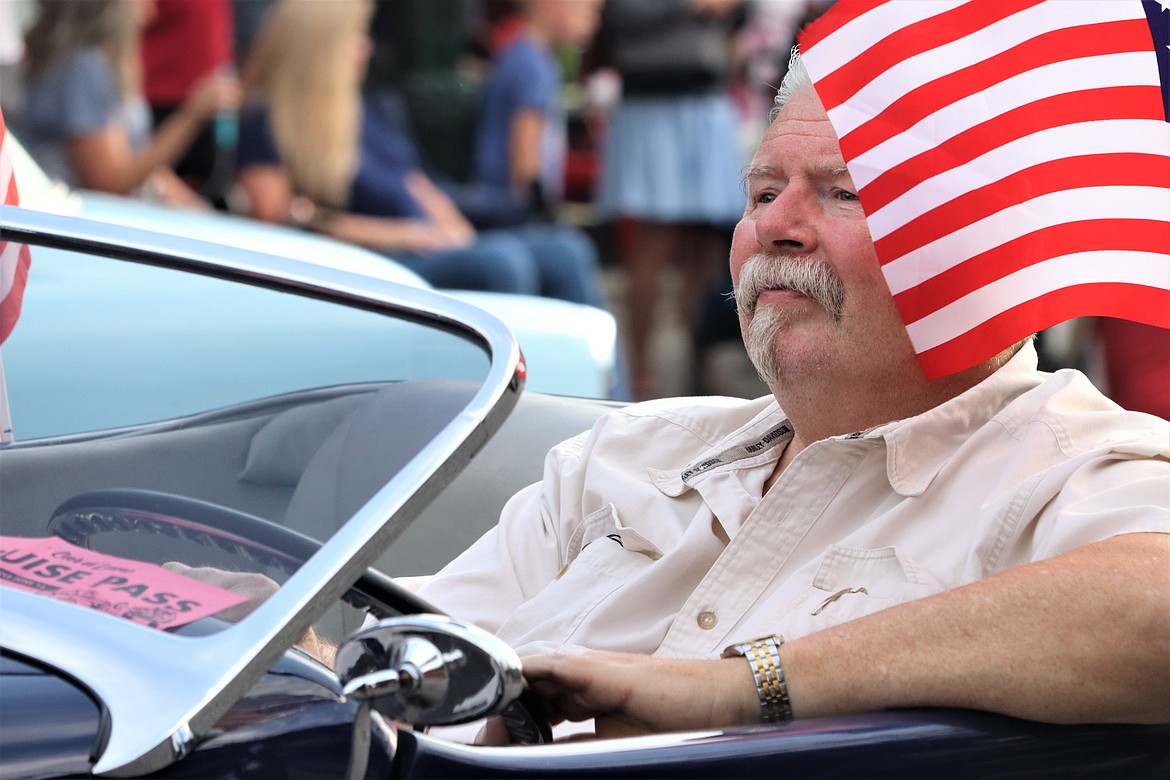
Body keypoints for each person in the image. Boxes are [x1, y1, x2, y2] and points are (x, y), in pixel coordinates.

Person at [411, 48, 1169, 737]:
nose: (776, 224)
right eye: (762, 191)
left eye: (844, 194)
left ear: (992, 253)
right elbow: (401, 674)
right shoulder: (615, 460)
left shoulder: (1070, 466)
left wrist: (737, 688)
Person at [236, 0, 605, 306]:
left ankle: (606, 391)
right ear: (319, 47)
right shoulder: (269, 122)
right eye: (353, 38)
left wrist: (454, 231)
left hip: (424, 241)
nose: (365, 48)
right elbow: (280, 221)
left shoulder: (369, 111)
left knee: (567, 249)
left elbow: (416, 182)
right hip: (373, 260)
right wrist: (407, 234)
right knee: (500, 264)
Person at [594, 0, 748, 399]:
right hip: (654, 106)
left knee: (705, 245)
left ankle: (700, 361)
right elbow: (620, 15)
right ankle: (639, 371)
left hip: (707, 102)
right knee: (655, 241)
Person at [17, 0, 239, 206]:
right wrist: (191, 116)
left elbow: (137, 161)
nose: (152, 6)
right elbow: (109, 182)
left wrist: (197, 210)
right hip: (70, 219)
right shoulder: (85, 67)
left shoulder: (101, 64)